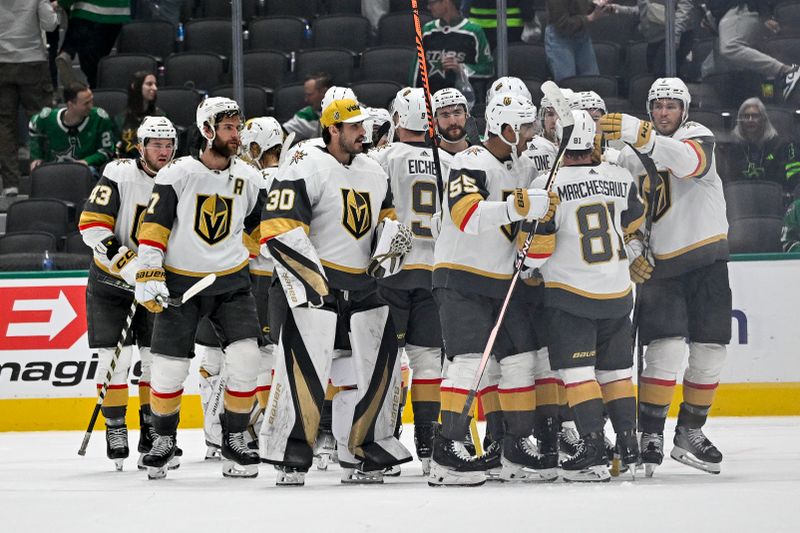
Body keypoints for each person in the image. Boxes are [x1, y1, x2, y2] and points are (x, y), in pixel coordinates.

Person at [259, 98, 413, 486]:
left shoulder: (373, 170)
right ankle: (290, 454)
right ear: (333, 129)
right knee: (305, 371)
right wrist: (312, 283)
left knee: (378, 366)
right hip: (317, 282)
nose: (364, 132)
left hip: (363, 285)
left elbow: (385, 221)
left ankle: (360, 449)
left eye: (364, 125)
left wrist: (391, 244)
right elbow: (278, 226)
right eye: (355, 127)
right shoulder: (304, 163)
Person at [600, 77, 731, 476]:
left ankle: (690, 431)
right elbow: (624, 215)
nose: (663, 113)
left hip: (708, 262)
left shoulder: (697, 135)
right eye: (656, 107)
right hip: (662, 269)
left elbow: (689, 163)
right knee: (666, 350)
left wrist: (640, 137)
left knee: (712, 352)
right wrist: (634, 248)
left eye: (671, 106)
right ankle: (651, 433)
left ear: (684, 110)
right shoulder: (628, 156)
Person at [429, 93, 558, 486]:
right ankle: (445, 452)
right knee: (468, 363)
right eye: (526, 126)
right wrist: (519, 206)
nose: (532, 132)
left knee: (521, 358)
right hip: (461, 276)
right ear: (506, 128)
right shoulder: (470, 162)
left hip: (502, 281)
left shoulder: (518, 164)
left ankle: (512, 446)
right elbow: (465, 214)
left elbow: (523, 230)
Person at [135, 97, 264, 480]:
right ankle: (162, 439)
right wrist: (149, 274)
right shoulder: (177, 174)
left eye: (238, 127)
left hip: (232, 282)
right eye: (228, 128)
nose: (236, 135)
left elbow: (260, 228)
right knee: (169, 369)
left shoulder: (250, 178)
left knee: (245, 360)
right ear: (207, 130)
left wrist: (271, 252)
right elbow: (153, 228)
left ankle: (235, 439)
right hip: (179, 284)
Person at [528, 110, 644, 481]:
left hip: (570, 294)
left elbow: (538, 246)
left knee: (578, 373)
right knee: (616, 373)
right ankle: (628, 444)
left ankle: (592, 443)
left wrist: (527, 266)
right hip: (616, 290)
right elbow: (634, 223)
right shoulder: (620, 176)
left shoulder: (548, 183)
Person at [77, 116, 177, 471]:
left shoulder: (179, 177)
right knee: (113, 361)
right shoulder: (118, 173)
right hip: (109, 282)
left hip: (153, 283)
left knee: (155, 361)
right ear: (140, 147)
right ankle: (115, 426)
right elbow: (91, 225)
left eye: (168, 145)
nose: (163, 152)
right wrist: (129, 264)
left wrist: (154, 274)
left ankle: (151, 432)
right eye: (156, 145)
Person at [197, 116, 283, 461]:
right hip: (256, 278)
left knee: (221, 356)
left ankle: (222, 430)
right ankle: (230, 429)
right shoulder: (264, 177)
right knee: (254, 354)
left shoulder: (251, 178)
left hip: (234, 276)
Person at [369, 89, 442, 476]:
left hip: (391, 272)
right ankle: (430, 443)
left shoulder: (380, 158)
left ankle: (384, 436)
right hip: (434, 272)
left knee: (387, 361)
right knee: (428, 359)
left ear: (397, 120)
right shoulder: (447, 159)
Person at [0, 0, 58, 196]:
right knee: (40, 121)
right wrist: (52, 9)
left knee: (4, 125)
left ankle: (10, 184)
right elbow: (50, 24)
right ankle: (42, 178)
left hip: (2, 63)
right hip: (33, 62)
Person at [704, 0, 799, 101]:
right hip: (727, 16)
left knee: (730, 47)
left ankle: (786, 71)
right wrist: (710, 18)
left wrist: (765, 14)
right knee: (708, 68)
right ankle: (765, 99)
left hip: (741, 10)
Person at [716, 96, 799, 204]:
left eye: (755, 116)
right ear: (740, 120)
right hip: (739, 202)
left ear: (764, 119)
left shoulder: (779, 146)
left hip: (773, 201)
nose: (750, 120)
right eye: (746, 116)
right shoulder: (731, 147)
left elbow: (790, 181)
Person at [28, 81, 116, 177]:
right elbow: (33, 128)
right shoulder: (47, 118)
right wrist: (37, 156)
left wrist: (86, 161)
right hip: (53, 170)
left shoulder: (99, 118)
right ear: (70, 105)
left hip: (88, 172)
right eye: (86, 103)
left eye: (91, 101)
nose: (91, 106)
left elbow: (107, 151)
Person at [412, 0, 493, 95]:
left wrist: (462, 68)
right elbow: (415, 71)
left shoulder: (473, 31)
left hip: (461, 100)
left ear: (446, 2)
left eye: (432, 3)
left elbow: (488, 69)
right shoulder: (427, 30)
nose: (429, 7)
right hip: (430, 99)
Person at [610, 0, 700, 78]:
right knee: (653, 75)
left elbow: (684, 11)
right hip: (655, 38)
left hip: (675, 36)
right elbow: (646, 9)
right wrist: (618, 9)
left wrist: (674, 38)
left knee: (663, 77)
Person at [55, 0, 131, 88]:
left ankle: (67, 51)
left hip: (90, 12)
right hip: (118, 15)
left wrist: (61, 3)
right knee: (100, 60)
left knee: (90, 65)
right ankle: (68, 51)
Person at [544, 0, 610, 82]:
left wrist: (597, 5)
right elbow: (562, 24)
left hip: (581, 33)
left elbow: (579, 7)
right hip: (561, 36)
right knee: (568, 85)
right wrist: (590, 17)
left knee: (592, 82)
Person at [117, 71, 163, 159]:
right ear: (134, 86)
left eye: (155, 84)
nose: (155, 88)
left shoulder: (161, 117)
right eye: (149, 84)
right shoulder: (120, 119)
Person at [282, 72, 333, 142]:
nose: (306, 99)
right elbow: (280, 135)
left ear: (324, 92)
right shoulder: (306, 115)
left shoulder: (348, 111)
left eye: (309, 95)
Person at [467, 0, 538, 49]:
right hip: (511, 26)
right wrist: (529, 19)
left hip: (478, 24)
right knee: (512, 63)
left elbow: (465, 5)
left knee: (482, 63)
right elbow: (526, 10)